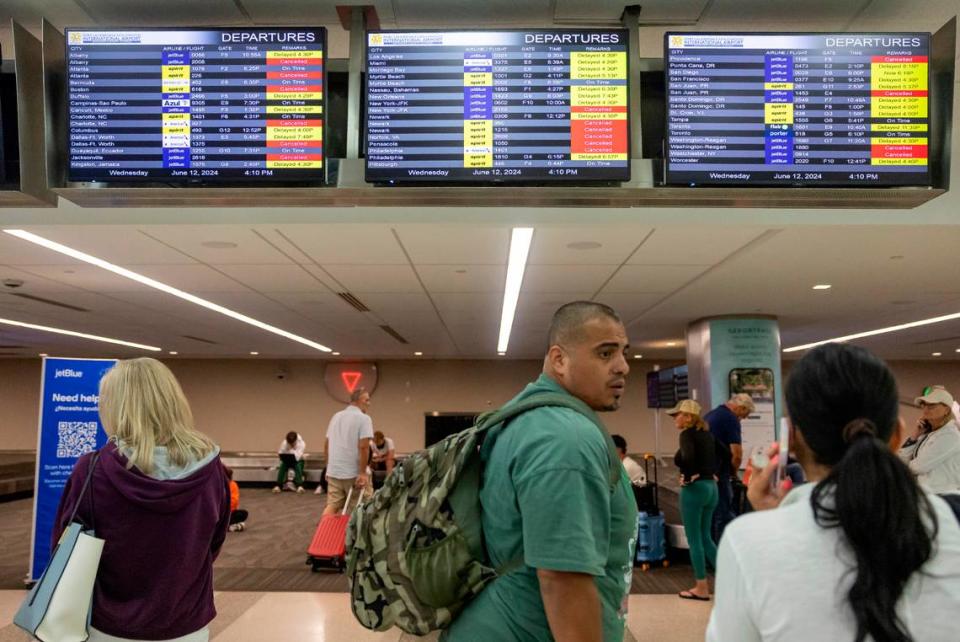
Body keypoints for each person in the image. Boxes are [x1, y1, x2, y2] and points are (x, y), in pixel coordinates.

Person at [707, 343, 960, 642]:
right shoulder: (951, 522)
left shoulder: (746, 541)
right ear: (896, 435)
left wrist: (772, 522)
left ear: (793, 439)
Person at [444, 301, 637, 642]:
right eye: (605, 354)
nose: (623, 367)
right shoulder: (565, 439)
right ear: (559, 359)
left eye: (623, 352)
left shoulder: (527, 416)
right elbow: (563, 580)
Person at [52, 357, 230, 642]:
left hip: (109, 623)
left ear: (113, 406)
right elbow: (213, 542)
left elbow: (65, 547)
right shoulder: (212, 471)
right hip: (186, 621)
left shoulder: (92, 470)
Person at [669, 398, 719, 601]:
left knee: (695, 539)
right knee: (707, 537)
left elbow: (688, 457)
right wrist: (711, 472)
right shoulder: (707, 435)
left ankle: (701, 587)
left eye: (677, 414)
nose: (674, 419)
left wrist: (688, 476)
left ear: (688, 417)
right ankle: (730, 584)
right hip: (711, 488)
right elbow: (724, 453)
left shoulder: (687, 435)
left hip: (695, 490)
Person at [704, 393, 754, 541]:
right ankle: (722, 554)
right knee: (723, 514)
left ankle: (711, 555)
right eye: (746, 414)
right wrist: (733, 473)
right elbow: (736, 454)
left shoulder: (711, 414)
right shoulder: (731, 419)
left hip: (707, 472)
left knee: (711, 515)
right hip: (720, 472)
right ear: (741, 407)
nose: (744, 418)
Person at [897, 386, 960, 493]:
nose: (925, 409)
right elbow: (901, 459)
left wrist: (905, 466)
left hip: (943, 497)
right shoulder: (926, 435)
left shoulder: (950, 436)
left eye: (932, 406)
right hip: (926, 495)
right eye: (924, 405)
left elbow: (919, 467)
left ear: (946, 410)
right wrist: (915, 435)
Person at [322, 388, 374, 516]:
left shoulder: (336, 416)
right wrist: (362, 473)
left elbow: (327, 444)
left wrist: (328, 467)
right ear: (358, 401)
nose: (369, 403)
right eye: (367, 400)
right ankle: (356, 535)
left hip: (334, 471)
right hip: (353, 473)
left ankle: (323, 533)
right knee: (362, 507)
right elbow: (363, 447)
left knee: (332, 505)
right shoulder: (364, 418)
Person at [224, 466, 248, 532]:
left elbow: (234, 501)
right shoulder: (218, 485)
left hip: (228, 512)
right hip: (219, 513)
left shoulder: (232, 485)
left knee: (243, 513)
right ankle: (230, 527)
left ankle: (227, 526)